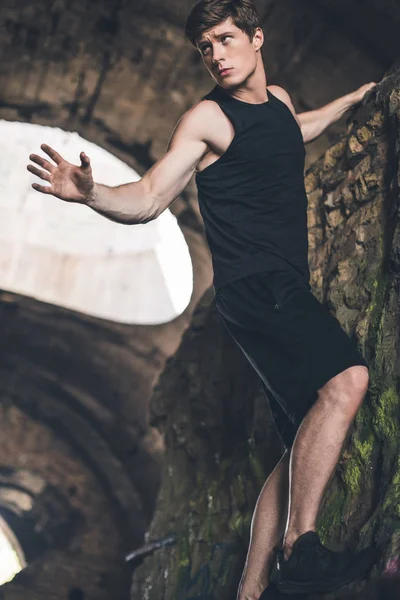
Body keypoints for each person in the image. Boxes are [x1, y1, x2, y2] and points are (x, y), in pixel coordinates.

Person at [26, 0, 378, 597]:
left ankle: (250, 590)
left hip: (280, 282)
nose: (214, 55)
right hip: (256, 286)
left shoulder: (281, 102)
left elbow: (296, 128)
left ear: (256, 38)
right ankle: (301, 547)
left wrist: (350, 103)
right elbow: (146, 199)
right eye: (204, 48)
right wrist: (90, 194)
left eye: (223, 40)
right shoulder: (206, 120)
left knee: (301, 441)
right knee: (347, 382)